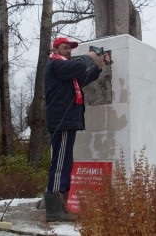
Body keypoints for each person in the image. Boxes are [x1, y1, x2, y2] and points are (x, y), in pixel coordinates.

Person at [43, 37, 111, 222]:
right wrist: (89, 57)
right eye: (65, 48)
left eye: (70, 49)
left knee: (64, 162)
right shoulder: (55, 64)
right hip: (62, 121)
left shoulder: (66, 69)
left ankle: (58, 205)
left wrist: (99, 66)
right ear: (56, 49)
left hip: (67, 121)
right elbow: (77, 67)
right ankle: (54, 208)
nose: (69, 51)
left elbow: (83, 77)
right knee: (60, 163)